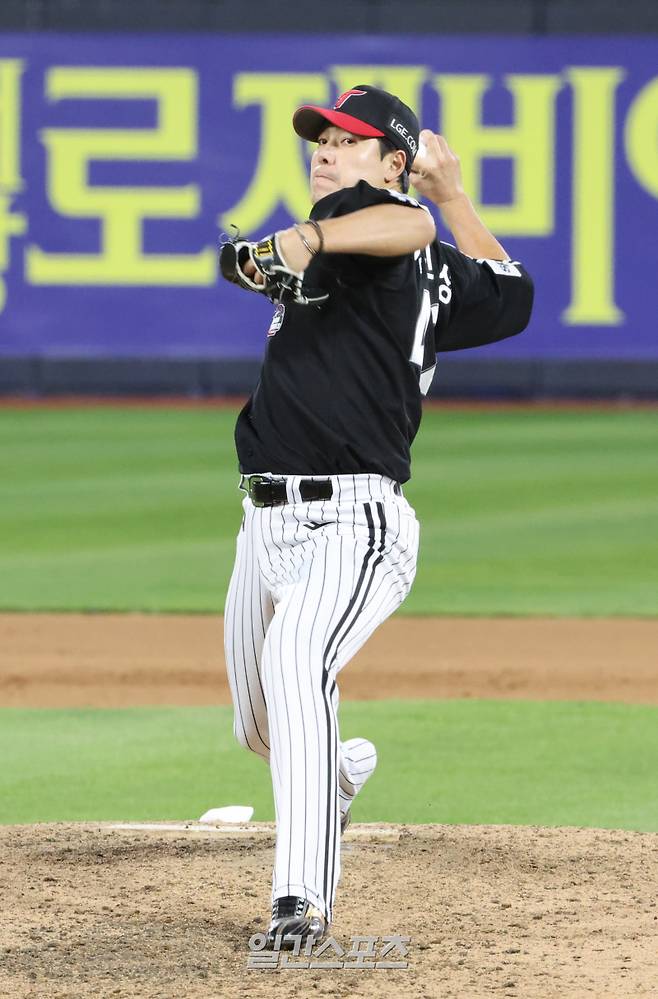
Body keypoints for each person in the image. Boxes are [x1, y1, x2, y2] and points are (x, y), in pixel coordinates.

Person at [220, 84, 534, 949]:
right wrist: (294, 244)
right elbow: (507, 290)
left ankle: (301, 904)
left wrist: (446, 201)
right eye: (319, 136)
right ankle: (339, 781)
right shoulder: (341, 242)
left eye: (348, 139)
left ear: (394, 165)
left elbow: (439, 246)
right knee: (259, 724)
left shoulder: (381, 235)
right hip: (266, 525)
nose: (323, 148)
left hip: (356, 523)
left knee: (295, 659)